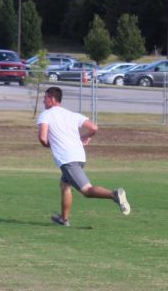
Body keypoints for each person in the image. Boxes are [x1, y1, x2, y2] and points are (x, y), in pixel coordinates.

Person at [36, 86, 130, 226]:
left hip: (68, 160)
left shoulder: (46, 115)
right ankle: (64, 219)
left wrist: (51, 144)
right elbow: (94, 127)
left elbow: (43, 139)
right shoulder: (72, 114)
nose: (43, 102)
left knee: (87, 191)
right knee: (65, 185)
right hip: (79, 156)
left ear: (51, 99)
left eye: (45, 99)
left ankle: (114, 195)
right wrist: (86, 137)